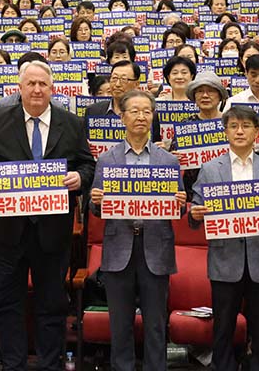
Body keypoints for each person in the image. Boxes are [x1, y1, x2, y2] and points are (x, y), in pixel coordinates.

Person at [0, 61, 96, 371]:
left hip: (53, 231)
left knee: (52, 303)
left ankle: (49, 364)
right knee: (7, 302)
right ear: (20, 88)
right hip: (7, 231)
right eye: (31, 84)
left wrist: (80, 179)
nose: (37, 89)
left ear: (52, 89)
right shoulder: (1, 119)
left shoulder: (70, 122)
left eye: (43, 84)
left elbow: (88, 165)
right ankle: (13, 364)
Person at [189, 106, 259, 371]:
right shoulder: (209, 169)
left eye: (246, 126)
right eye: (234, 126)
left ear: (256, 132)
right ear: (225, 131)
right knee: (223, 328)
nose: (240, 131)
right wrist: (196, 213)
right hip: (225, 260)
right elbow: (194, 216)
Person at [89, 90, 185, 371]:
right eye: (135, 111)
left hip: (156, 248)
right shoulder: (107, 159)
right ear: (122, 117)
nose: (141, 116)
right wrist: (96, 202)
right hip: (119, 248)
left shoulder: (168, 161)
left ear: (153, 117)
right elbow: (96, 211)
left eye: (146, 111)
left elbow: (176, 209)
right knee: (120, 325)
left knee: (156, 325)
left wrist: (179, 203)